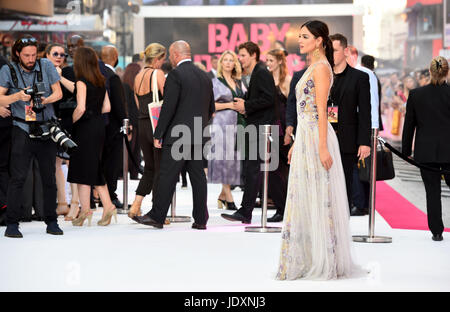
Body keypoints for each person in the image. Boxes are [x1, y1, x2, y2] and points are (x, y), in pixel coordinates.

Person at [276, 20, 362, 280]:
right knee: (304, 195)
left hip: (317, 137)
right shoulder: (313, 66)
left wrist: (322, 147)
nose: (299, 40)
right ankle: (307, 258)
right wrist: (297, 142)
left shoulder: (322, 68)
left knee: (319, 195)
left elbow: (322, 112)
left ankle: (326, 260)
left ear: (319, 41)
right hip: (306, 137)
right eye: (299, 36)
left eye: (304, 36)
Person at [133, 40, 215, 230]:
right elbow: (211, 109)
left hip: (177, 135)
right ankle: (201, 219)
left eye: (171, 54)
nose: (170, 58)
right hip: (198, 133)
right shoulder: (204, 76)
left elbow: (168, 108)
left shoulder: (175, 75)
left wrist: (158, 133)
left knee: (167, 175)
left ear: (177, 55)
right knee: (197, 177)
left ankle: (157, 216)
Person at [0, 35, 63, 238]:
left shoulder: (45, 65)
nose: (30, 59)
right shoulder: (8, 70)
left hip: (45, 127)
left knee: (49, 177)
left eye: (34, 55)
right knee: (18, 177)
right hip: (21, 127)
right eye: (26, 55)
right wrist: (17, 96)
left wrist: (44, 100)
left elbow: (59, 93)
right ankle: (12, 224)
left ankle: (51, 221)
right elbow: (0, 97)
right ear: (18, 53)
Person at [220, 42, 287, 224]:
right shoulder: (257, 73)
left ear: (253, 56)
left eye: (242, 55)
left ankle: (245, 211)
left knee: (254, 169)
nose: (239, 59)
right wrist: (245, 106)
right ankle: (283, 209)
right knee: (269, 171)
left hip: (263, 128)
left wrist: (246, 106)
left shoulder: (261, 73)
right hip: (261, 126)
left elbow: (267, 98)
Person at [402, 56, 450, 242]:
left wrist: (406, 151)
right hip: (449, 151)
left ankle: (437, 231)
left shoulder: (416, 95)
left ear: (430, 72)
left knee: (432, 191)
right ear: (446, 72)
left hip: (426, 151)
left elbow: (409, 126)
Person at [66, 46, 116, 227]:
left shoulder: (81, 82)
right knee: (92, 167)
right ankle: (100, 207)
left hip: (84, 128)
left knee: (82, 167)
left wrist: (71, 122)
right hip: (98, 127)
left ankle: (89, 209)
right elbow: (107, 108)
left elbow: (80, 108)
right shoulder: (101, 81)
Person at [328, 33, 371, 216]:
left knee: (345, 185)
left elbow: (365, 112)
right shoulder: (323, 76)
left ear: (345, 51)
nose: (331, 55)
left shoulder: (359, 78)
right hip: (325, 138)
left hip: (347, 140)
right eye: (328, 51)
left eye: (335, 50)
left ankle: (342, 228)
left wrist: (364, 142)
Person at [127, 43, 166, 218]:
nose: (163, 63)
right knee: (160, 169)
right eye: (163, 60)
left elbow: (137, 104)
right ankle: (158, 211)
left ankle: (136, 205)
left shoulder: (138, 76)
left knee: (149, 167)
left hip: (142, 124)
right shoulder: (157, 73)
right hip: (156, 125)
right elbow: (167, 98)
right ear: (157, 59)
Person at [44, 43, 80, 217]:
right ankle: (62, 202)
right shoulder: (41, 71)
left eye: (62, 54)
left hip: (69, 120)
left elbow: (77, 91)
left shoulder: (68, 72)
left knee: (71, 161)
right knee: (56, 162)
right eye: (55, 53)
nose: (59, 56)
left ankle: (75, 203)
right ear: (47, 55)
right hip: (51, 121)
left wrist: (60, 78)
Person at [208, 50, 246, 211]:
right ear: (221, 62)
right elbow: (211, 105)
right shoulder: (215, 81)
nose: (229, 62)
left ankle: (223, 196)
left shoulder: (239, 82)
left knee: (233, 161)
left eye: (232, 60)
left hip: (238, 122)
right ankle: (229, 199)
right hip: (222, 123)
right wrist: (230, 105)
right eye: (226, 60)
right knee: (224, 160)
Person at [346, 47, 379, 215]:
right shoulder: (351, 73)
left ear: (353, 55)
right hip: (354, 127)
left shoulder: (365, 74)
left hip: (363, 127)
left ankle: (361, 203)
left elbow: (371, 103)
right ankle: (361, 202)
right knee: (359, 168)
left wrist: (373, 129)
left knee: (360, 167)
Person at [99, 45, 128, 209]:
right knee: (112, 163)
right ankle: (110, 195)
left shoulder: (97, 73)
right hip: (113, 127)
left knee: (102, 161)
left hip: (98, 125)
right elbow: (118, 105)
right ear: (115, 57)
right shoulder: (113, 77)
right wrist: (126, 122)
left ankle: (100, 195)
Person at [266, 48, 292, 222]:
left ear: (280, 62)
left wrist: (290, 129)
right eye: (266, 60)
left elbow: (292, 108)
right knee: (272, 169)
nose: (268, 64)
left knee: (286, 169)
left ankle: (289, 209)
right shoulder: (266, 80)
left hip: (285, 129)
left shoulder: (288, 81)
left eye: (271, 61)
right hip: (270, 128)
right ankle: (281, 207)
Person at [121, 62, 142, 180]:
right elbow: (127, 106)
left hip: (136, 121)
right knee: (131, 148)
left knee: (135, 148)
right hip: (132, 121)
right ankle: (125, 172)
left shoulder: (133, 86)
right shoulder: (127, 86)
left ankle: (134, 173)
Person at [0, 54, 10, 224]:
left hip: (4, 123)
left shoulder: (3, 65)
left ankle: (5, 209)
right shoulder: (4, 64)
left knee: (2, 167)